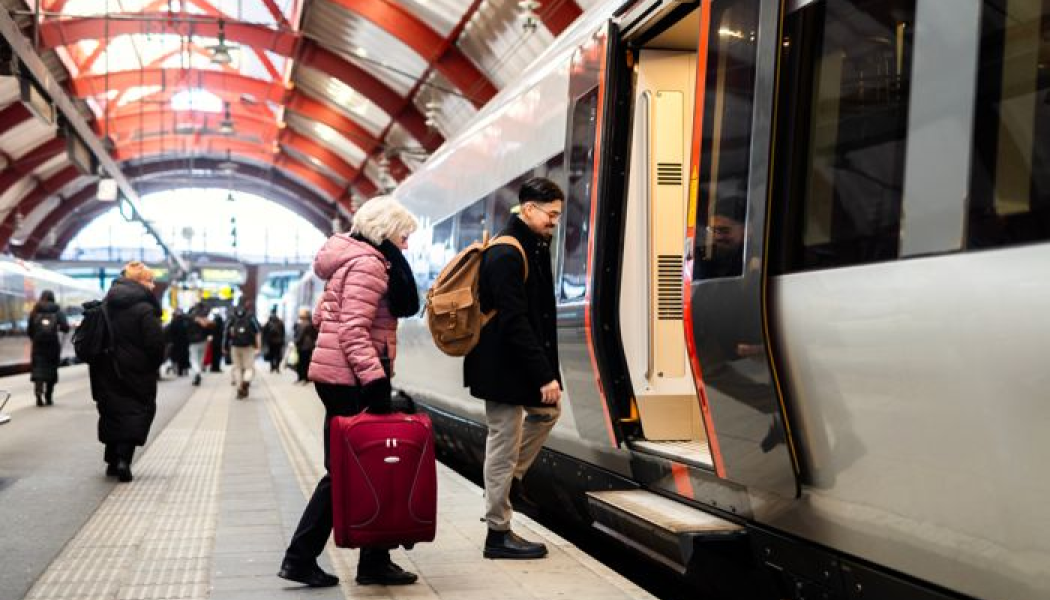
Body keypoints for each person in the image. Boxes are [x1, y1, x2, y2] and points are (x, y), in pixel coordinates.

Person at [279, 195, 420, 588]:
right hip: (352, 381)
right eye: (403, 235)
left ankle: (373, 560)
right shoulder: (370, 265)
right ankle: (301, 557)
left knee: (360, 470)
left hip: (338, 377)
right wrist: (375, 381)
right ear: (385, 230)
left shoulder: (350, 260)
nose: (405, 244)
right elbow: (353, 330)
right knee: (346, 472)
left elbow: (327, 314)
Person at [464, 177, 564, 560]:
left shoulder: (531, 246)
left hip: (511, 364)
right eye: (551, 214)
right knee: (503, 442)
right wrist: (544, 374)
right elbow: (514, 320)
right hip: (500, 367)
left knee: (547, 413)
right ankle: (498, 533)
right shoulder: (507, 253)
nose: (555, 221)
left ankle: (506, 484)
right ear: (529, 209)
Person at [89, 262, 165, 483]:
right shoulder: (145, 309)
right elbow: (155, 344)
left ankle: (112, 460)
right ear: (138, 282)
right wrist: (152, 365)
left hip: (106, 369)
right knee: (136, 411)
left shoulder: (106, 304)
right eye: (149, 280)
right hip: (137, 371)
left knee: (112, 411)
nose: (152, 286)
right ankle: (123, 460)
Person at [28, 290, 70, 406]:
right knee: (51, 369)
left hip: (38, 345)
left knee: (38, 369)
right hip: (52, 345)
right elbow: (65, 327)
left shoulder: (34, 310)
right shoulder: (57, 310)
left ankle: (38, 393)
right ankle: (49, 396)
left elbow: (30, 330)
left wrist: (35, 338)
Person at [225, 303, 261, 399]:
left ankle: (239, 388)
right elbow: (258, 332)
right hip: (248, 346)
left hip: (235, 346)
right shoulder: (251, 317)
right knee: (249, 368)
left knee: (237, 368)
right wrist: (258, 347)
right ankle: (246, 381)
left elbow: (226, 332)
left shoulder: (232, 318)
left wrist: (224, 346)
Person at [185, 302, 211, 385]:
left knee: (193, 359)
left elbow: (186, 328)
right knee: (200, 359)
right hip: (203, 340)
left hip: (193, 341)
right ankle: (198, 373)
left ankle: (197, 373)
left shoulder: (190, 318)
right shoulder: (204, 318)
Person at [292, 307, 316, 385]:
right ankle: (303, 378)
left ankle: (303, 378)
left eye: (301, 312)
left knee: (302, 362)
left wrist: (296, 342)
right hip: (308, 346)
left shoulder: (304, 323)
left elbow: (300, 335)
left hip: (303, 346)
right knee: (305, 362)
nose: (300, 314)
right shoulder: (310, 322)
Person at [262, 307, 287, 373]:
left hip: (270, 341)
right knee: (278, 354)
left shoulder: (268, 322)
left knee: (271, 354)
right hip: (279, 341)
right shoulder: (280, 322)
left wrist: (264, 341)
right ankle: (277, 367)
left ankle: (272, 367)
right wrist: (282, 340)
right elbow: (283, 332)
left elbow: (264, 332)